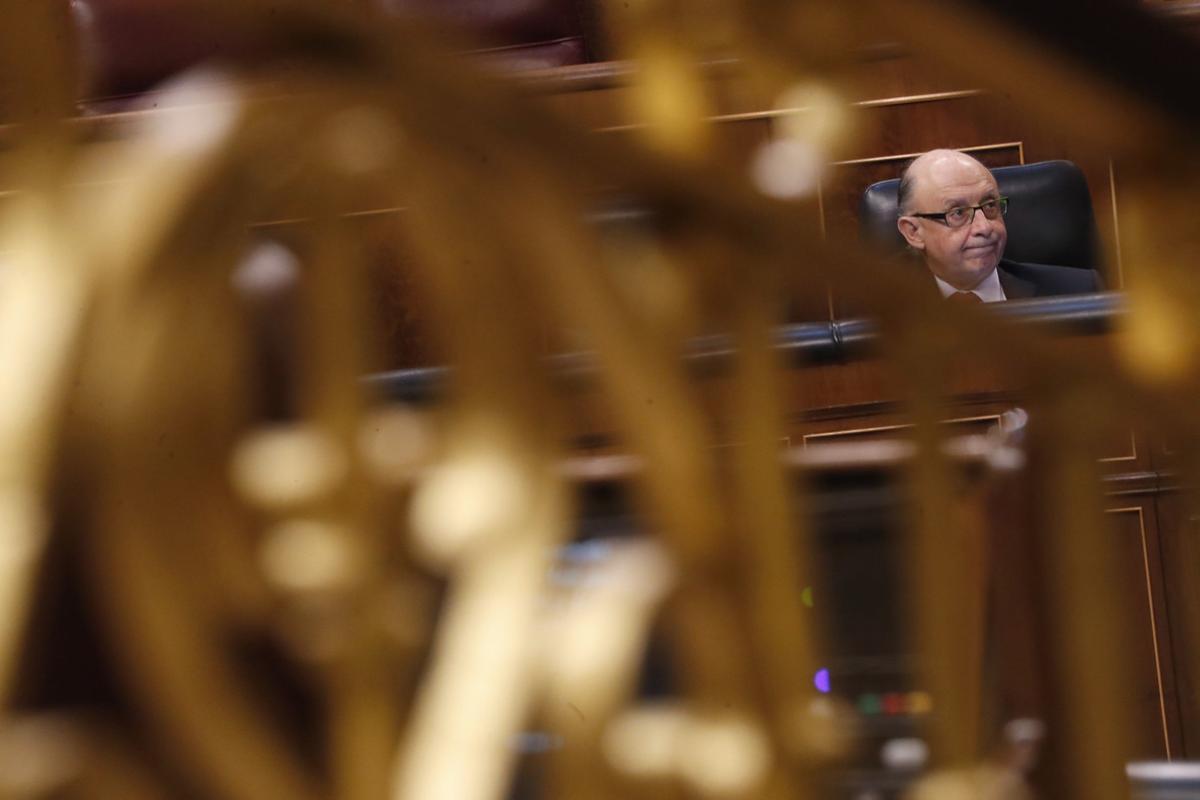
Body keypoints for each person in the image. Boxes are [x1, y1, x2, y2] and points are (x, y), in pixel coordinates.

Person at [895, 149, 1102, 302]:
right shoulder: (877, 313)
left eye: (990, 205)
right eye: (958, 213)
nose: (984, 228)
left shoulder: (1078, 293)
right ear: (914, 232)